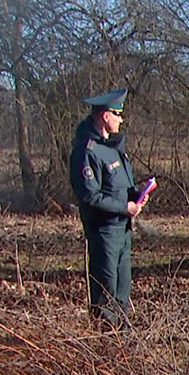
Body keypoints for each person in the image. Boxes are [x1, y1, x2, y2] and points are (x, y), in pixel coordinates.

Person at [69, 88, 149, 329]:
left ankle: (122, 335)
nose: (121, 119)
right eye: (117, 114)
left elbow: (116, 185)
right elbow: (89, 195)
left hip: (122, 228)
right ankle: (107, 340)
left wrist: (137, 194)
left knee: (122, 287)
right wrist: (124, 207)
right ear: (105, 116)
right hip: (104, 230)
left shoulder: (112, 146)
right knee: (106, 288)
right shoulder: (87, 150)